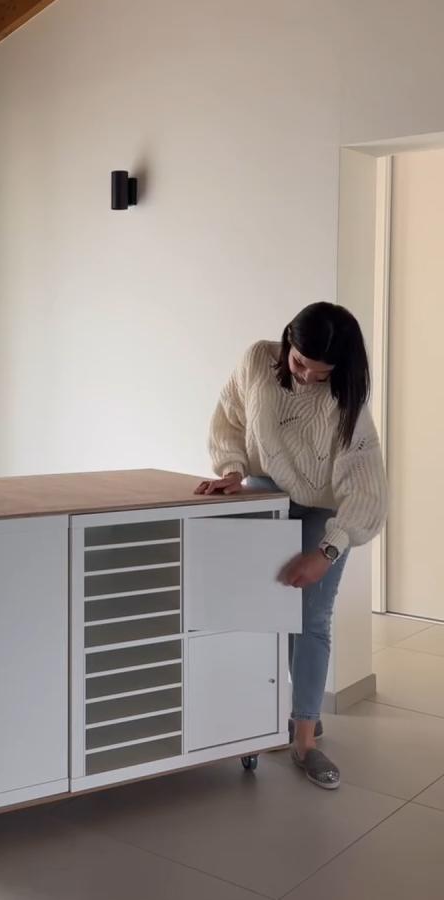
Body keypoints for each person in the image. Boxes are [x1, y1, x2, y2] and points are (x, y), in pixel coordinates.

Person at [195, 302, 387, 790]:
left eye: (319, 374)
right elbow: (230, 415)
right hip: (266, 492)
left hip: (321, 507)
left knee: (311, 618)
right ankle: (286, 714)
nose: (303, 377)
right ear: (288, 341)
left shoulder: (348, 404)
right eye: (299, 363)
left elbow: (365, 493)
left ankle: (305, 738)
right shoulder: (260, 359)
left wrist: (327, 552)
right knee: (261, 611)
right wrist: (233, 471)